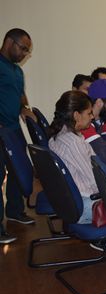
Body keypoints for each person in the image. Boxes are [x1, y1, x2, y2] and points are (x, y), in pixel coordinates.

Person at [0, 28, 37, 244]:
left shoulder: (16, 71)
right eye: (23, 48)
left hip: (13, 128)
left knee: (18, 169)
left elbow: (20, 93)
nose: (24, 54)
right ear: (9, 42)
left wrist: (25, 108)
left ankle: (15, 211)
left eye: (27, 51)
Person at [47, 91, 99, 224]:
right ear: (76, 115)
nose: (92, 117)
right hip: (86, 205)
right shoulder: (74, 143)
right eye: (89, 113)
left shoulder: (57, 136)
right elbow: (94, 181)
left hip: (69, 202)